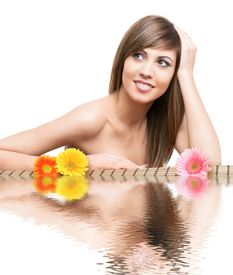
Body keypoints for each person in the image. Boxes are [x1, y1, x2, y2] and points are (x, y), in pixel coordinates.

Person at [0, 15, 221, 171]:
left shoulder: (165, 122)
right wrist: (77, 166)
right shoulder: (91, 119)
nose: (146, 71)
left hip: (142, 236)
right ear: (123, 59)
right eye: (138, 56)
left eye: (163, 63)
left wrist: (186, 75)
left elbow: (210, 168)